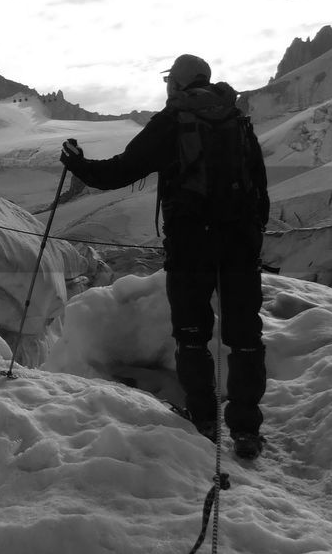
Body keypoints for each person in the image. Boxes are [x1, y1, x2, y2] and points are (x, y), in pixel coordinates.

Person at [60, 54, 270, 459]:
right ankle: (245, 429)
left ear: (178, 83)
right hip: (240, 244)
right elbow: (259, 186)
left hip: (192, 244)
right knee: (244, 336)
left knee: (192, 334)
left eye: (169, 81)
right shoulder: (238, 120)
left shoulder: (173, 120)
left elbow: (120, 171)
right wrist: (249, 237)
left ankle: (203, 419)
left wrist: (77, 163)